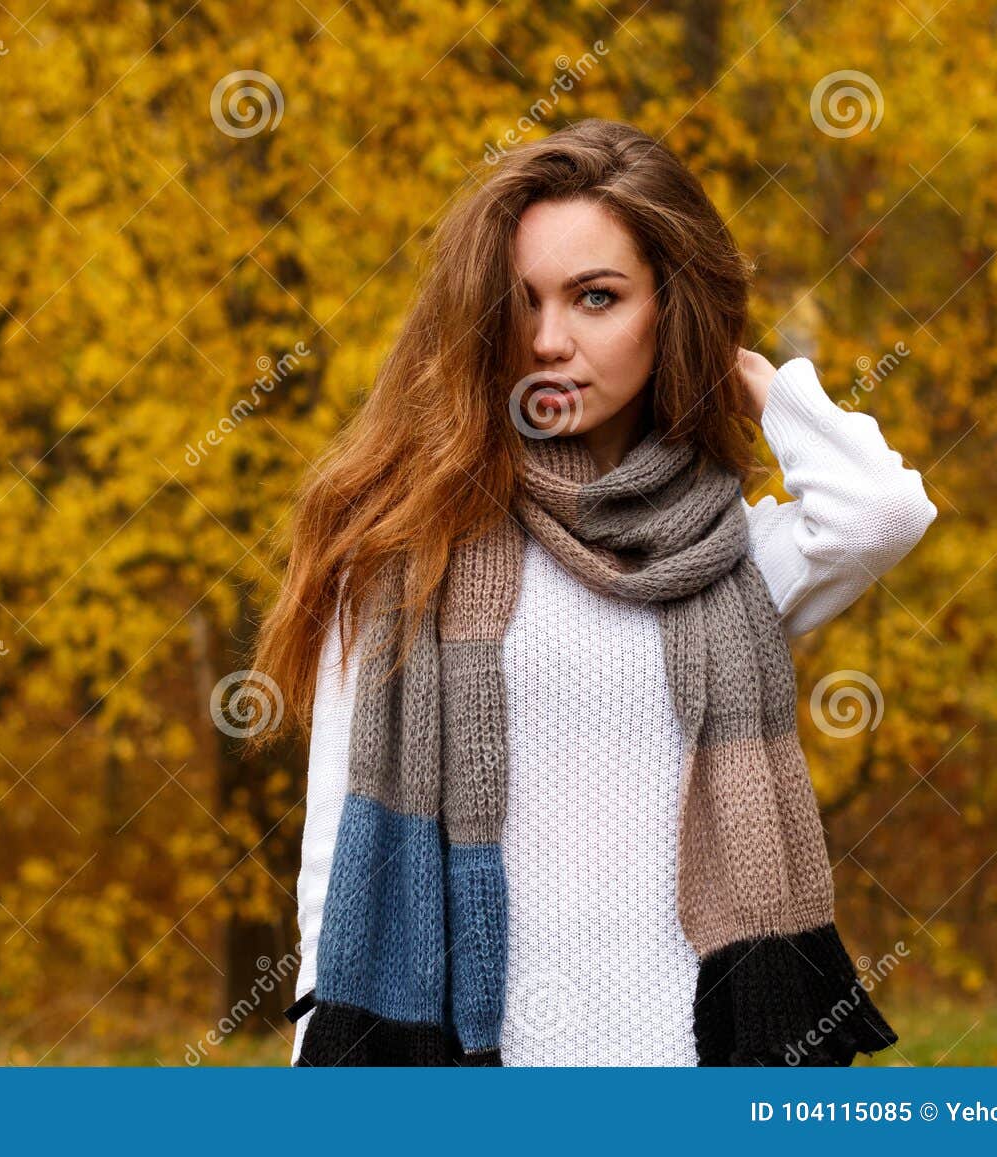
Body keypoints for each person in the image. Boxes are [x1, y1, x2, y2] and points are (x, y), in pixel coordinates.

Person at [246, 118, 937, 1066]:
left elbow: (878, 512)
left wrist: (751, 377)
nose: (549, 340)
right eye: (520, 303)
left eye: (597, 298)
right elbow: (338, 862)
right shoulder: (403, 550)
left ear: (670, 308)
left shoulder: (722, 555)